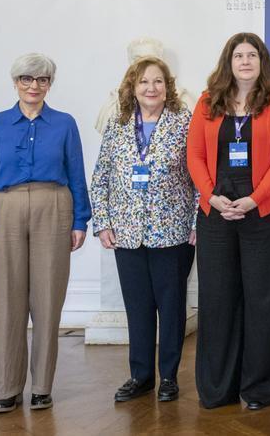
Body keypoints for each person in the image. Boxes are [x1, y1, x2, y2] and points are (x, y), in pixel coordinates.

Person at [0, 53, 90, 414]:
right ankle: (7, 387)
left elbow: (76, 173)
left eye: (41, 80)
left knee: (47, 299)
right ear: (15, 82)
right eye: (27, 79)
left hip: (53, 205)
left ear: (49, 85)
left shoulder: (65, 124)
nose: (34, 86)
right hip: (4, 208)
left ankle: (41, 387)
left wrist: (80, 220)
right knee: (7, 301)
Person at [187, 32, 270, 410]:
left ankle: (258, 389)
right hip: (216, 214)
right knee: (217, 300)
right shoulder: (207, 102)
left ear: (262, 62)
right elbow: (195, 157)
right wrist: (211, 196)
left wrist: (252, 199)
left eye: (252, 55)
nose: (245, 61)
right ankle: (218, 389)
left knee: (263, 301)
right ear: (228, 62)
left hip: (265, 214)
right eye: (239, 55)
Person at [90, 56, 196, 403]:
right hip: (127, 233)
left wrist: (197, 222)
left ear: (168, 88)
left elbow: (200, 175)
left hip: (174, 232)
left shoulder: (185, 122)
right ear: (132, 89)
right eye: (144, 82)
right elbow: (101, 176)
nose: (151, 88)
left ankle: (168, 376)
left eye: (158, 82)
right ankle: (141, 376)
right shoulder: (118, 124)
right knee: (137, 308)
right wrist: (103, 223)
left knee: (171, 307)